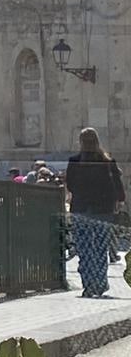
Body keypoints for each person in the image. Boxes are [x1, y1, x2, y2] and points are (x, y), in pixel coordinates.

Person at [64, 127, 126, 298]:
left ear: (80, 142)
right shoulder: (107, 161)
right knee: (100, 249)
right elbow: (117, 186)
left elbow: (71, 185)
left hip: (81, 209)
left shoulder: (75, 161)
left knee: (84, 249)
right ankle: (100, 283)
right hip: (103, 210)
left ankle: (88, 285)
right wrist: (119, 201)